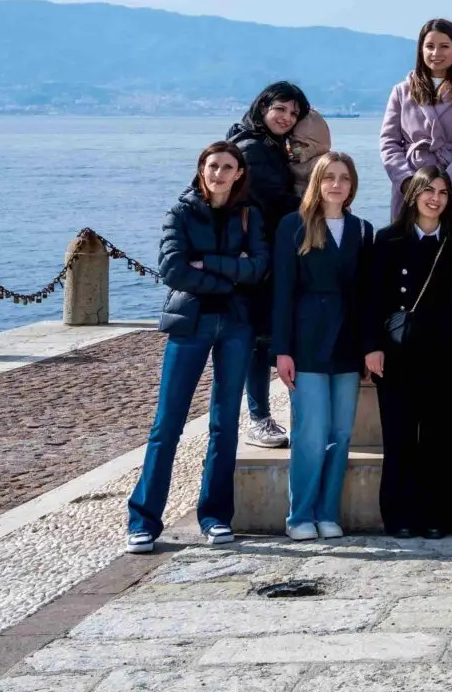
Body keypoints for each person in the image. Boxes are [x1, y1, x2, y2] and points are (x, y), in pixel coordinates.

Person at [126, 141, 269, 553]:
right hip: (190, 323)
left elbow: (258, 268)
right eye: (213, 166)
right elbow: (173, 269)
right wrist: (229, 274)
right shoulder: (180, 212)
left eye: (227, 167)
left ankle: (215, 516)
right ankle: (144, 520)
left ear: (239, 173)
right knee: (167, 424)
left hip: (237, 326)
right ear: (201, 170)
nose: (219, 173)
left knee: (225, 424)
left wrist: (208, 264)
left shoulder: (249, 215)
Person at [272, 152, 373, 540]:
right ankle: (300, 516)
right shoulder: (293, 227)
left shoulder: (362, 230)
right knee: (311, 434)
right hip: (307, 343)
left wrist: (369, 347)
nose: (336, 184)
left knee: (341, 434)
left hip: (348, 344)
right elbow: (282, 291)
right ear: (316, 182)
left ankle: (328, 512)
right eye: (328, 177)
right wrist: (282, 349)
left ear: (352, 185)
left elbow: (366, 297)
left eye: (343, 178)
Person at [362, 167, 452, 539]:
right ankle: (399, 516)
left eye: (442, 191)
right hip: (398, 353)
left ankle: (438, 516)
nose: (435, 198)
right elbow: (372, 298)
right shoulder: (388, 240)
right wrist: (371, 348)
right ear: (413, 195)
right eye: (428, 190)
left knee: (441, 439)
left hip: (445, 353)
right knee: (400, 438)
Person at [227, 82, 308, 449]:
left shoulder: (268, 145)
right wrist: (316, 204)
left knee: (262, 337)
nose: (287, 118)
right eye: (281, 109)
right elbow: (271, 201)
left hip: (265, 252)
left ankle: (267, 415)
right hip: (258, 255)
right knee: (259, 340)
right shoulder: (253, 148)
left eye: (293, 114)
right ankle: (259, 418)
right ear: (263, 106)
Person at [379, 18, 452, 224]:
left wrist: (444, 185)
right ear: (420, 50)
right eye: (429, 46)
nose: (436, 53)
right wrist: (409, 182)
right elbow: (388, 143)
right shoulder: (402, 91)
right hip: (412, 184)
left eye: (444, 46)